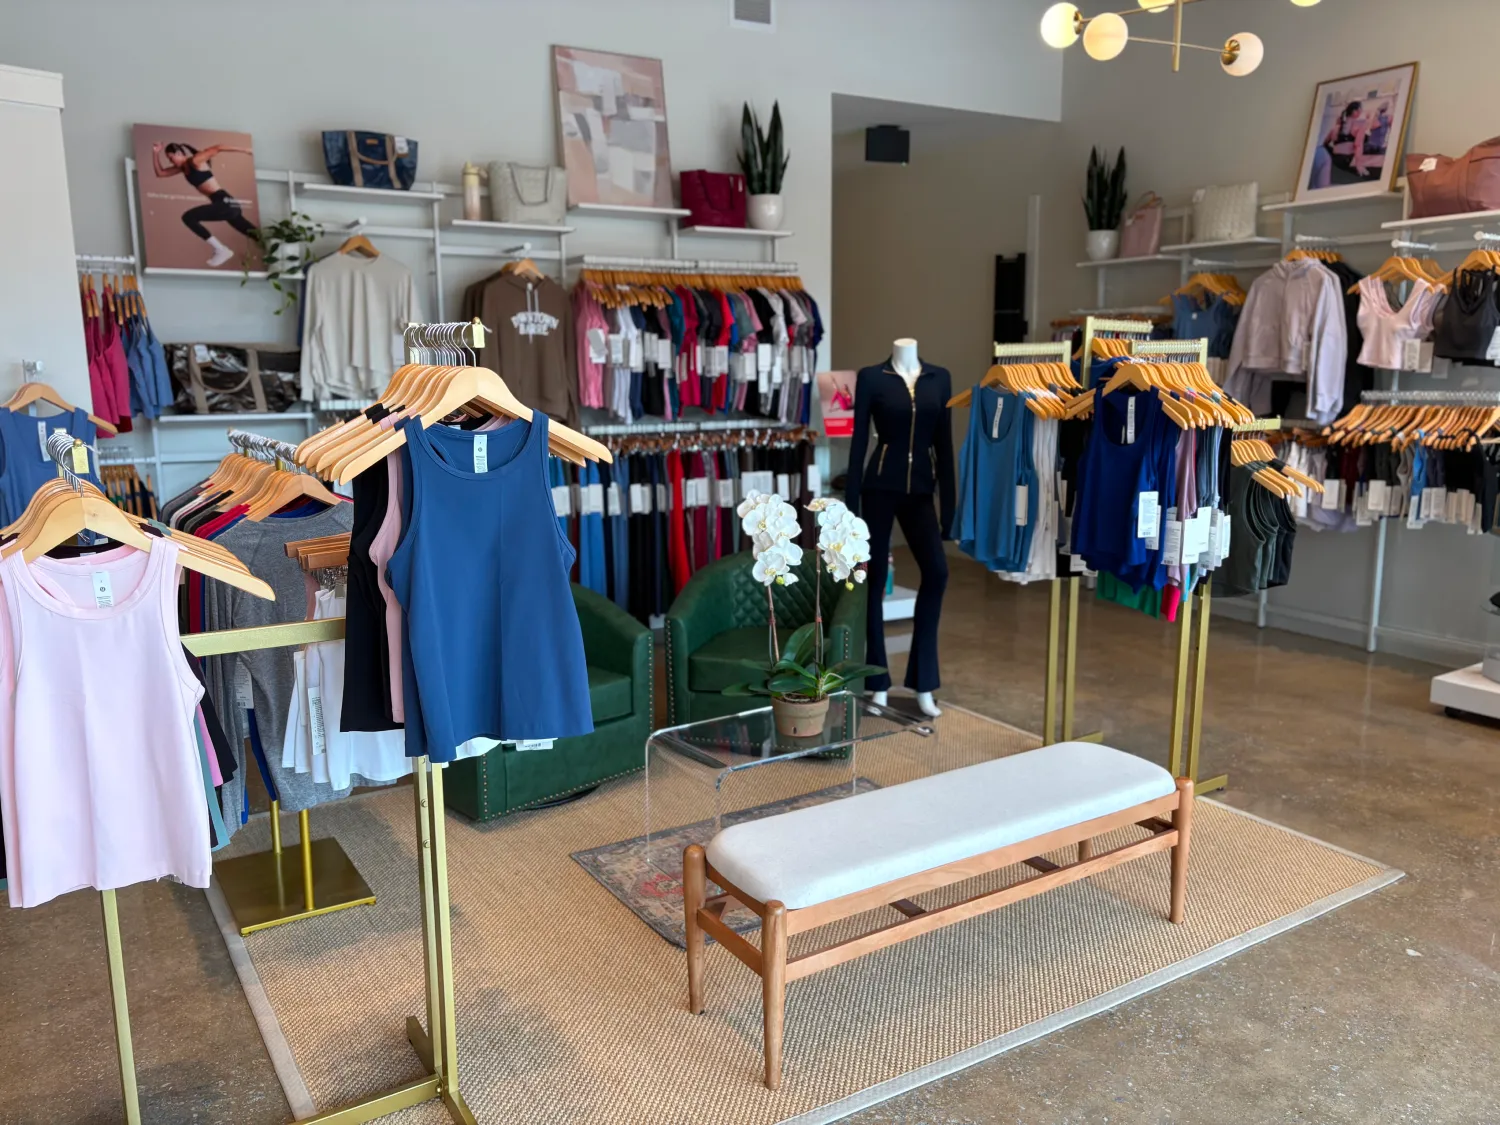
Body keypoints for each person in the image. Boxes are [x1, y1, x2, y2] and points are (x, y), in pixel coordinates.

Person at [151, 141, 257, 267]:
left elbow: (218, 147)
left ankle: (221, 250)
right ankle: (276, 250)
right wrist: (155, 153)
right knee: (255, 234)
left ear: (179, 153)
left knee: (188, 217)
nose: (170, 161)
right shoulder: (183, 168)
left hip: (224, 203)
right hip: (225, 204)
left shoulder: (195, 161)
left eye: (171, 157)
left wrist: (245, 149)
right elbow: (160, 173)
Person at [1310, 101, 1370, 189]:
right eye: (1360, 110)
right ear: (1355, 112)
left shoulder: (1335, 128)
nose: (1361, 112)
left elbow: (1325, 144)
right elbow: (1358, 145)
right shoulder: (1359, 126)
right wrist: (1359, 165)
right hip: (1347, 162)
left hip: (1334, 163)